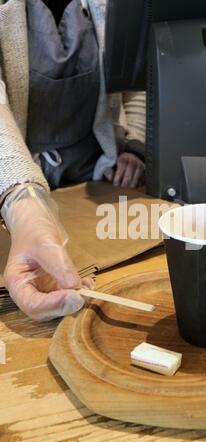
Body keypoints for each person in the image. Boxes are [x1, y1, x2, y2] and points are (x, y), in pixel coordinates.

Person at [0, 0, 146, 321]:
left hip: (95, 181)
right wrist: (23, 204)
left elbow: (136, 80)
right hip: (17, 183)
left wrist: (134, 146)